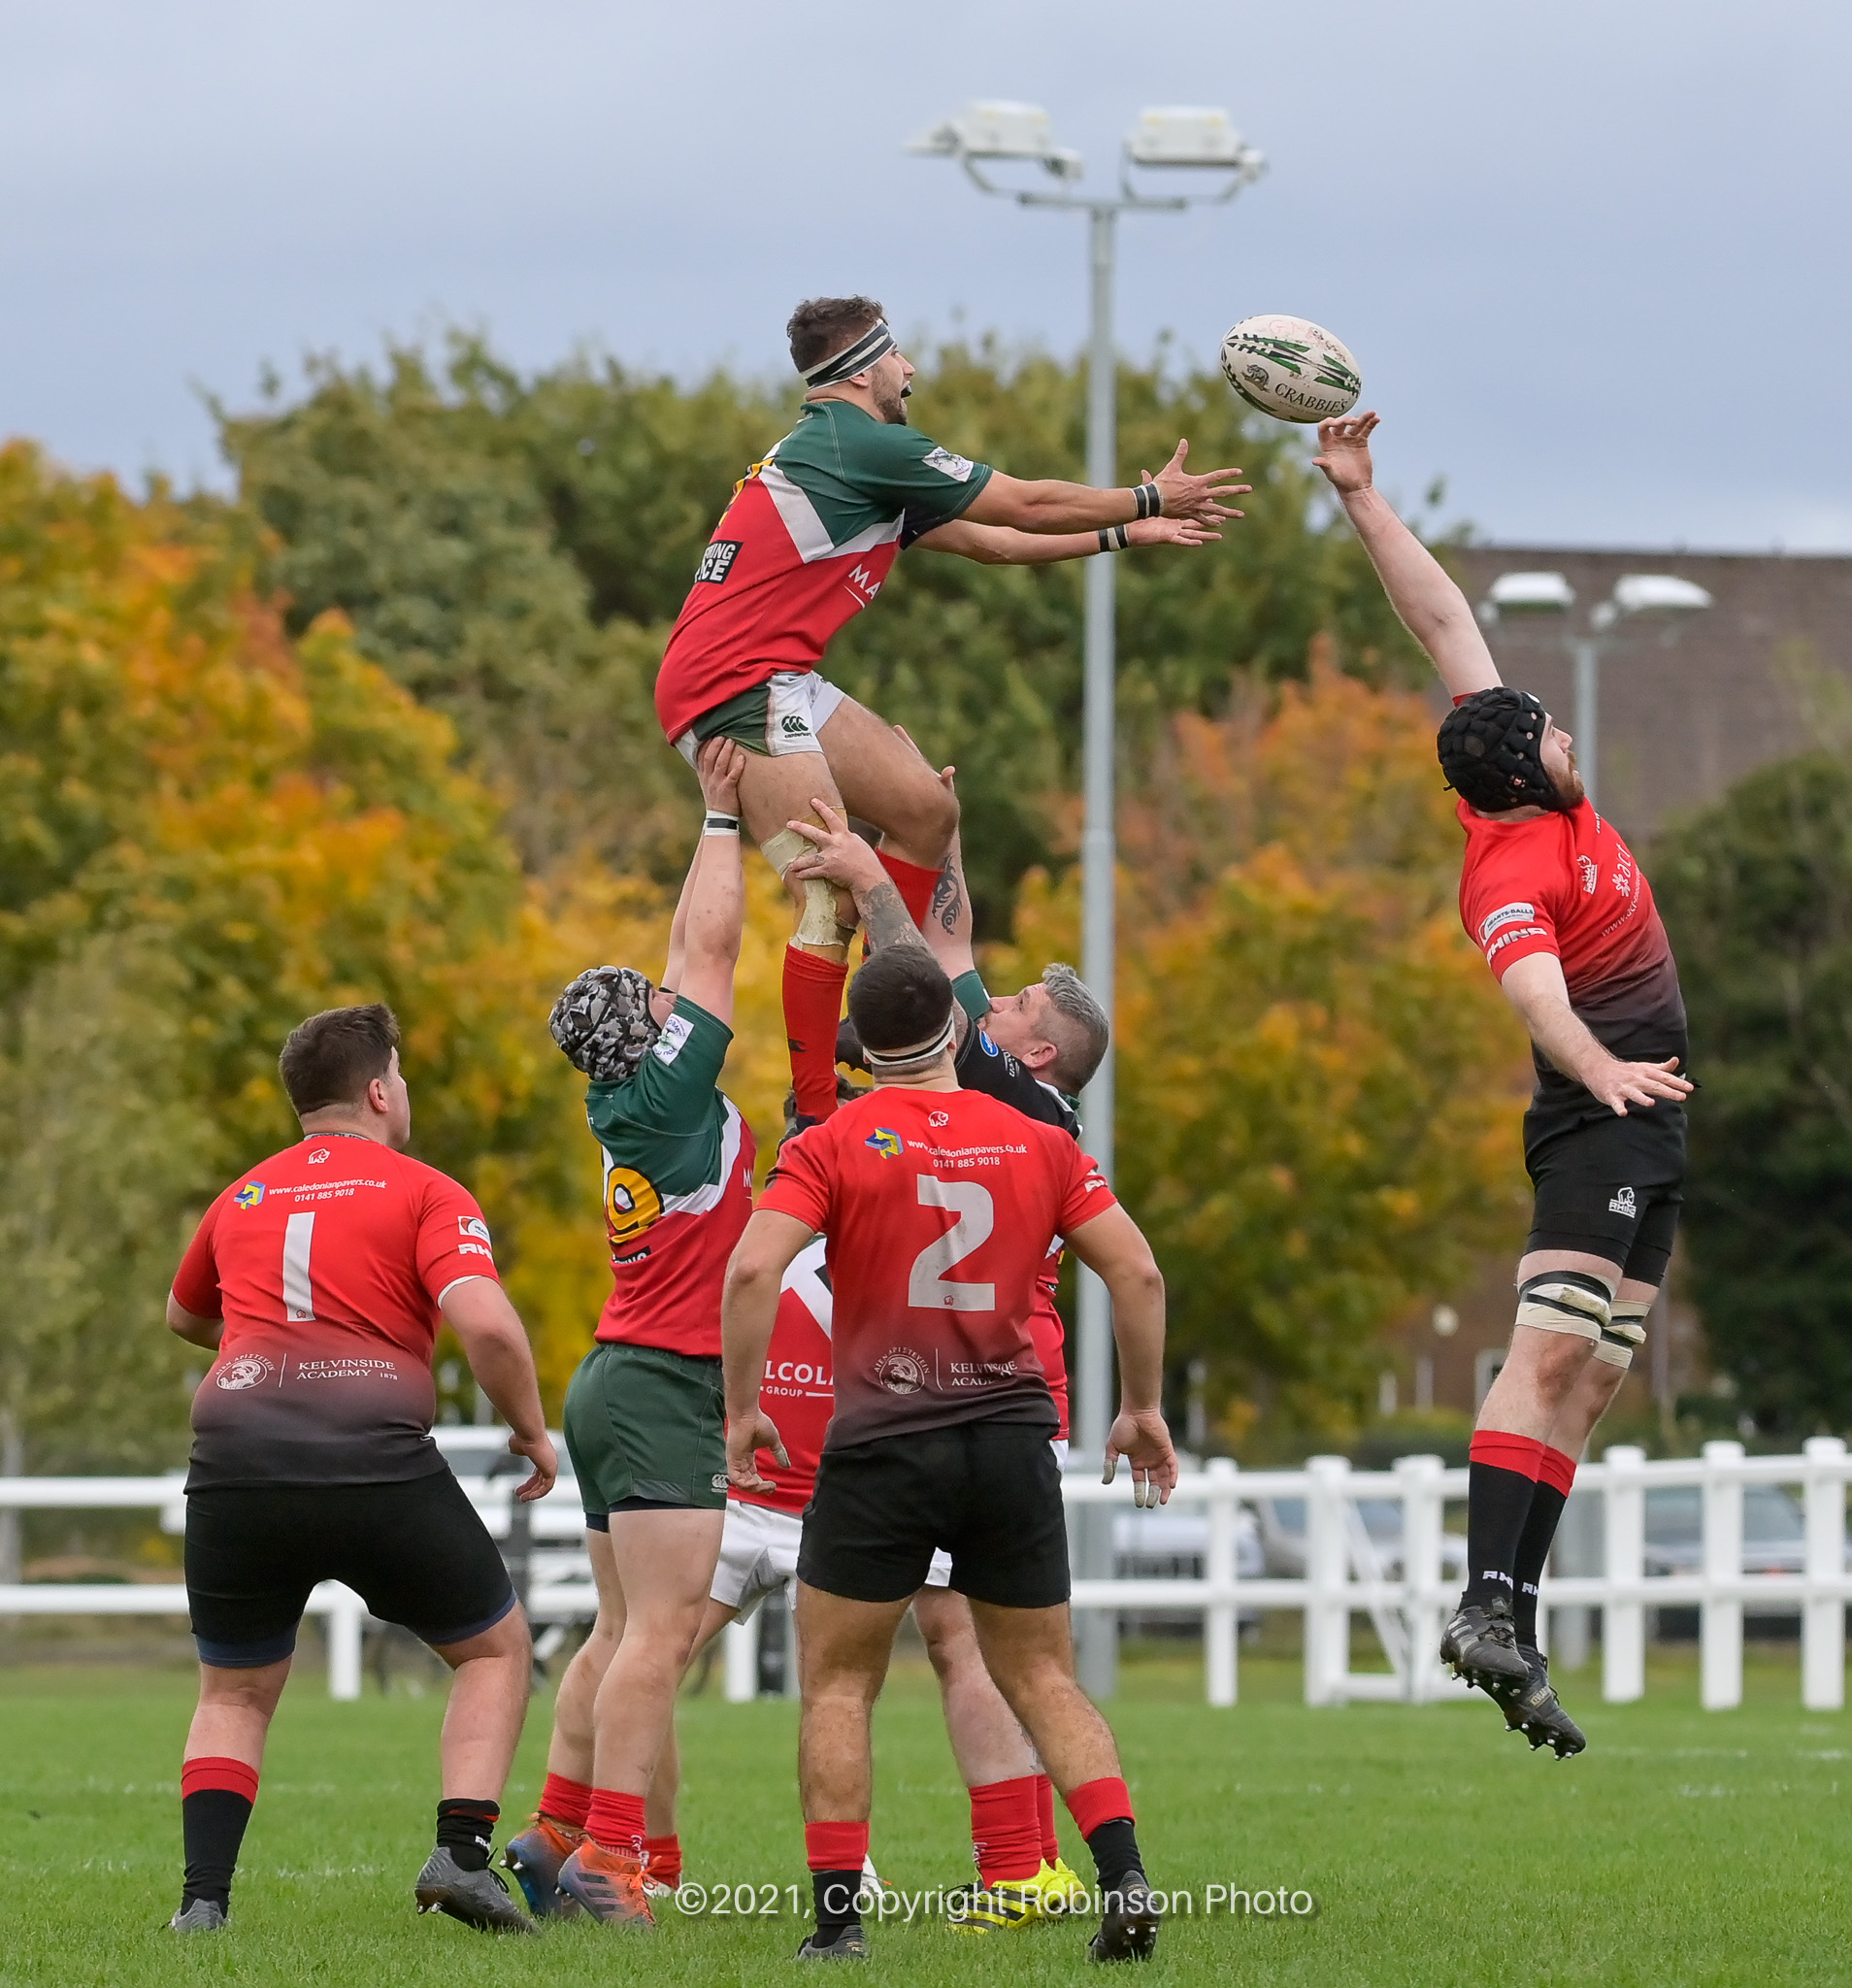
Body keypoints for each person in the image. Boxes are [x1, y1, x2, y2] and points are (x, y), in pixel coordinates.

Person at [1312, 410, 1695, 1757]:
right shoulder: (1509, 866)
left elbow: (1440, 619)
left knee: (1593, 1376)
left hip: (1646, 1122)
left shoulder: (1512, 779)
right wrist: (1600, 1067)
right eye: (1552, 731)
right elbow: (1531, 991)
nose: (1566, 732)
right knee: (1545, 1351)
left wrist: (1359, 495)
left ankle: (1510, 1624)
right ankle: (1483, 1599)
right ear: (1528, 764)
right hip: (1602, 1115)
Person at [654, 292, 1245, 1139]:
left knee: (928, 811)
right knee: (828, 900)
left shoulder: (858, 457)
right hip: (734, 683)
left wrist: (1122, 534)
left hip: (777, 673)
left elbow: (994, 542)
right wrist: (1145, 499)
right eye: (898, 355)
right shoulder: (861, 445)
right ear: (865, 369)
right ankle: (814, 1111)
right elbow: (1026, 505)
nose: (911, 370)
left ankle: (878, 1003)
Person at [720, 945, 1178, 1963]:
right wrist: (1142, 1406)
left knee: (840, 1684)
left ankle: (838, 1923)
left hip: (883, 1439)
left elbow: (752, 1269)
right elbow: (1138, 1274)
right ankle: (1124, 1877)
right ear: (953, 1029)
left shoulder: (835, 1140)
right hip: (1009, 1436)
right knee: (1043, 1676)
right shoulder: (1039, 1139)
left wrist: (741, 1409)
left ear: (869, 1042)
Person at [164, 1004, 557, 1936]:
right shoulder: (426, 1192)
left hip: (235, 1460)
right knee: (495, 1650)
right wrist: (531, 1430)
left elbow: (184, 1316)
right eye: (403, 1075)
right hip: (373, 1458)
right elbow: (489, 1326)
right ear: (380, 1091)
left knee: (234, 1691)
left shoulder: (243, 1195)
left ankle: (203, 1904)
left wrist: (268, 1347)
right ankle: (462, 1857)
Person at [502, 739, 754, 1927]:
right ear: (644, 1033)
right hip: (663, 1383)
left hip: (614, 1376)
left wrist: (709, 823)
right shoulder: (667, 1095)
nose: (669, 996)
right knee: (660, 1633)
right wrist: (723, 819)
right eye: (652, 1001)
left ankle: (554, 1831)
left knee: (616, 1628)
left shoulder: (629, 1093)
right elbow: (710, 952)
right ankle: (609, 1860)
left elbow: (680, 958)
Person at [685, 1230, 1083, 1928]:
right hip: (968, 1407)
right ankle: (1028, 1865)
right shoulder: (1011, 1175)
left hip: (950, 1414)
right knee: (990, 1649)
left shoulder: (865, 1208)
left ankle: (1022, 1865)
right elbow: (1131, 1268)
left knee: (963, 1645)